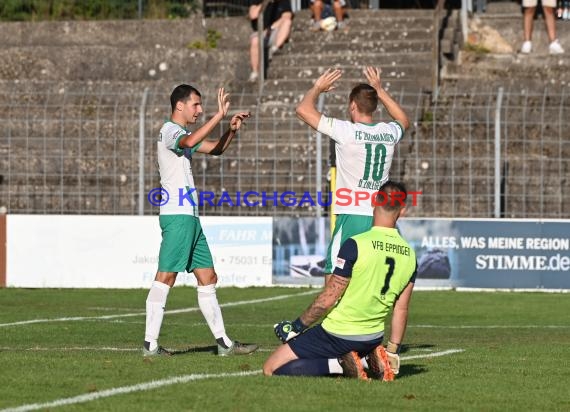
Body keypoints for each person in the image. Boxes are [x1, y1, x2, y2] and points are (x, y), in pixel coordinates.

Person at [143, 84, 258, 357]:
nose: (199, 110)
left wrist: (229, 130)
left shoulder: (182, 134)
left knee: (208, 276)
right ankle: (150, 344)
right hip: (177, 215)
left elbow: (215, 149)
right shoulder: (170, 131)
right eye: (195, 105)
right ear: (179, 106)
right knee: (166, 276)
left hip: (190, 217)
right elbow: (191, 142)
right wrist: (218, 116)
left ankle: (224, 344)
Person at [264, 181, 417, 380]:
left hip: (338, 333)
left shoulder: (356, 244)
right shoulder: (410, 255)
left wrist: (296, 327)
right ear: (402, 211)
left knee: (271, 368)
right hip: (372, 338)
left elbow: (329, 297)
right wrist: (393, 351)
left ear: (373, 201)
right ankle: (366, 360)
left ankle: (341, 364)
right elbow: (401, 309)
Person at [295, 66, 410, 286]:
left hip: (352, 214)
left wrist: (318, 87)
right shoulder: (388, 132)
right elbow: (403, 120)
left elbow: (302, 109)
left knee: (335, 275)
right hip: (380, 216)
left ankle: (330, 320)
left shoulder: (345, 130)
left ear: (352, 105)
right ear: (375, 107)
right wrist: (380, 89)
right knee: (370, 280)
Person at [248, 0, 294, 82]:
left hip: (276, 30)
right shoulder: (257, 2)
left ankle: (274, 49)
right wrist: (265, 4)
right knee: (255, 40)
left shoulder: (284, 2)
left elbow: (287, 16)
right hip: (262, 32)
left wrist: (271, 28)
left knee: (287, 22)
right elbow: (253, 15)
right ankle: (255, 72)